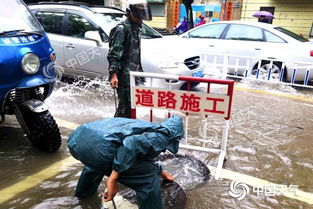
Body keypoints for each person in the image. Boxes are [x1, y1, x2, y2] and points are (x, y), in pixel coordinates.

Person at [67, 115, 184, 209]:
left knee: (95, 163)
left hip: (77, 142)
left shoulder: (146, 126)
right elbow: (131, 144)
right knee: (148, 179)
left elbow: (141, 156)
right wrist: (113, 179)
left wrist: (161, 172)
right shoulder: (163, 136)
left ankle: (83, 197)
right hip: (102, 151)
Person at [107, 0, 152, 118]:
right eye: (138, 14)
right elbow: (114, 54)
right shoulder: (122, 29)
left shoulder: (137, 27)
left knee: (132, 107)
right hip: (124, 76)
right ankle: (116, 131)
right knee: (124, 108)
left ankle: (126, 129)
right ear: (129, 12)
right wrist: (114, 75)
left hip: (134, 75)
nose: (140, 18)